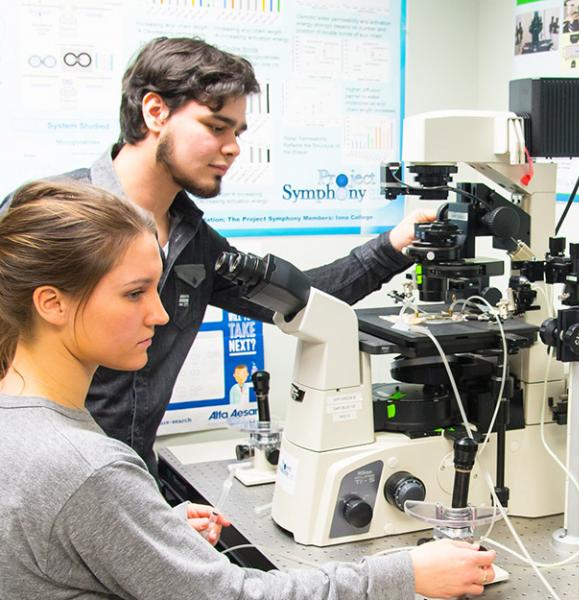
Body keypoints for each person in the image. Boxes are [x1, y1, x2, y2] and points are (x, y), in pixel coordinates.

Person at [0, 180, 495, 600]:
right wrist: (407, 573)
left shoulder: (26, 424)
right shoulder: (87, 468)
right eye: (134, 293)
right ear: (52, 303)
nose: (161, 313)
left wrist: (147, 532)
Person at [1, 37, 434, 477]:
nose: (233, 148)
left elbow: (298, 298)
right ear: (155, 112)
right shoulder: (44, 216)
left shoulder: (194, 240)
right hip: (42, 479)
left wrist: (393, 245)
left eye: (237, 132)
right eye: (215, 126)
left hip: (131, 480)